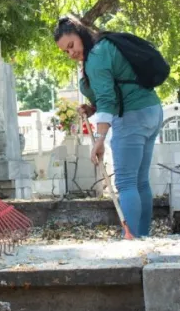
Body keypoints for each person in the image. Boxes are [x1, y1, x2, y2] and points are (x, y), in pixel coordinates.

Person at [53, 15, 164, 238]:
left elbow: (107, 99)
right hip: (152, 111)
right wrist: (93, 110)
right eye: (66, 51)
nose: (71, 53)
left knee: (125, 182)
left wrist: (100, 138)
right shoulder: (105, 46)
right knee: (140, 180)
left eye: (71, 45)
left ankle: (131, 239)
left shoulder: (96, 56)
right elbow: (115, 89)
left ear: (80, 33)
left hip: (132, 117)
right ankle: (142, 237)